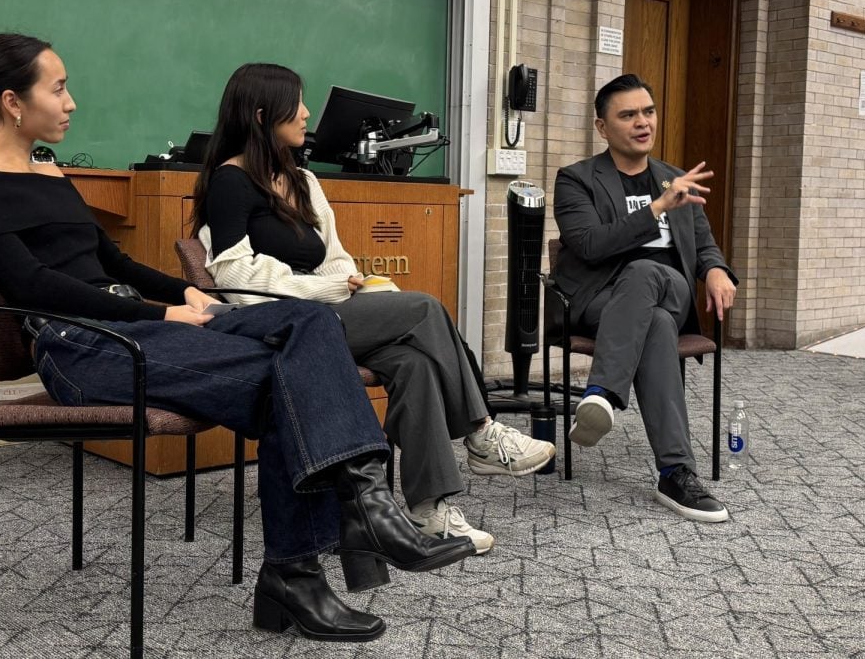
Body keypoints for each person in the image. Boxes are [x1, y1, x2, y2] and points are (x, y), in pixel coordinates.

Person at [0, 33, 476, 643]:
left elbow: (114, 262)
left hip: (133, 328)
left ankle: (338, 541)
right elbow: (32, 283)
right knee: (289, 383)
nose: (71, 101)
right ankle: (321, 557)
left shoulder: (48, 173)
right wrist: (160, 316)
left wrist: (186, 292)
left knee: (311, 325)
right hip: (80, 346)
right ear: (12, 102)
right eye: (58, 88)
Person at [191, 63, 556, 554]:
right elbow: (235, 278)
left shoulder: (302, 180)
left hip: (328, 315)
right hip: (278, 325)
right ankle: (481, 432)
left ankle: (430, 511)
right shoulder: (230, 181)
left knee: (417, 363)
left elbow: (335, 256)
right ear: (261, 115)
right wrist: (330, 290)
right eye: (295, 104)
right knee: (425, 308)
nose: (305, 114)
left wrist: (355, 283)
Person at [552, 73, 738, 523]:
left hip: (670, 290)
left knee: (648, 273)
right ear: (602, 127)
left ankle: (602, 394)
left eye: (648, 112)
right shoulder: (576, 180)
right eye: (628, 114)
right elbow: (589, 245)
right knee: (652, 323)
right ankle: (675, 472)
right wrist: (656, 208)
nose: (642, 122)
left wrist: (714, 269)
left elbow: (704, 243)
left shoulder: (675, 178)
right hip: (600, 300)